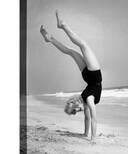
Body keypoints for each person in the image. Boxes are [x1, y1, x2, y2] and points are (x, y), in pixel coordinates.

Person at [40, 11, 102, 143]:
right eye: (77, 109)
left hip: (93, 74)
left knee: (81, 46)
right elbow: (90, 119)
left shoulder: (88, 100)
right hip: (88, 77)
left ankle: (62, 26)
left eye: (76, 108)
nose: (79, 109)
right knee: (72, 51)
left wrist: (91, 137)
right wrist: (89, 136)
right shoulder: (86, 100)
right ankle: (50, 38)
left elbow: (91, 119)